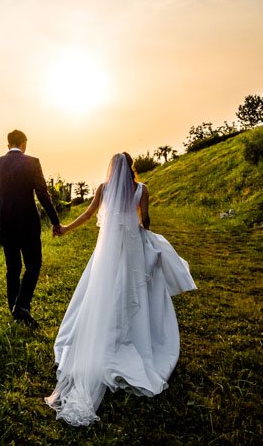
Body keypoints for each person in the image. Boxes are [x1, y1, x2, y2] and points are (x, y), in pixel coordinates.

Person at [45, 152, 197, 426]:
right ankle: (134, 338)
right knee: (134, 294)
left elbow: (89, 214)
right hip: (133, 249)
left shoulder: (103, 189)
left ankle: (107, 336)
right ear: (132, 169)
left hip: (108, 253)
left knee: (104, 293)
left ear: (112, 170)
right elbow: (146, 221)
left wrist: (65, 228)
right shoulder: (142, 189)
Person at [0, 129, 62, 329]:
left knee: (13, 267)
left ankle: (15, 309)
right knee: (33, 264)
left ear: (8, 145)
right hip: (28, 221)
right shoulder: (32, 163)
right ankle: (22, 305)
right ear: (24, 144)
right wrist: (55, 222)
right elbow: (43, 194)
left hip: (5, 222)